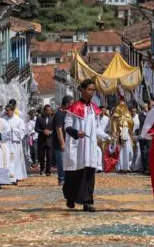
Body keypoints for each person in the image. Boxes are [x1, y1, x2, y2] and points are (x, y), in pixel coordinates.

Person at [63, 79, 109, 212]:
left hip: (90, 146)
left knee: (89, 174)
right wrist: (76, 132)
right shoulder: (73, 108)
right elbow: (67, 126)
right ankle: (71, 197)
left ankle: (87, 202)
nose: (91, 92)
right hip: (78, 145)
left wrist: (107, 136)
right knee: (75, 174)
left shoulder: (94, 109)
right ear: (82, 90)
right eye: (89, 89)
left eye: (93, 90)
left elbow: (97, 129)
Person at [109, 100, 135, 173]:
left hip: (127, 135)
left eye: (123, 106)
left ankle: (127, 167)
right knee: (120, 151)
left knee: (128, 151)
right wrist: (115, 135)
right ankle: (120, 167)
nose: (122, 108)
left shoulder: (128, 115)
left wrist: (127, 120)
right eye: (120, 106)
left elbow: (131, 124)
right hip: (119, 135)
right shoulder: (115, 116)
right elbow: (113, 126)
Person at [53, 96, 74, 186]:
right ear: (67, 104)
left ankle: (67, 178)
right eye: (72, 103)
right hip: (60, 142)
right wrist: (62, 143)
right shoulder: (59, 114)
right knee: (61, 161)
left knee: (67, 161)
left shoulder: (67, 113)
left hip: (68, 140)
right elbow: (59, 129)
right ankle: (61, 178)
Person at [3, 105, 27, 183]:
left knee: (15, 160)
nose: (7, 112)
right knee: (7, 160)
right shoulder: (4, 120)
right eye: (6, 110)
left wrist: (14, 130)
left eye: (8, 110)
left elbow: (23, 132)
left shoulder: (19, 120)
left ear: (13, 111)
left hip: (15, 143)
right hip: (7, 143)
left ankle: (15, 177)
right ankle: (8, 177)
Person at [35, 105, 54, 177]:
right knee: (41, 156)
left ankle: (48, 171)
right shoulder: (39, 118)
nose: (49, 112)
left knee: (49, 156)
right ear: (44, 111)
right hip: (41, 140)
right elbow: (36, 128)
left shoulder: (53, 118)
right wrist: (43, 131)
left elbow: (55, 129)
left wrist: (50, 132)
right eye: (47, 110)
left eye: (50, 110)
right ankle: (42, 168)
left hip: (50, 140)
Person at [138, 104, 151, 174]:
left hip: (149, 135)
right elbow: (144, 121)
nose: (147, 108)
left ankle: (148, 168)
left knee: (148, 151)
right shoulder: (140, 115)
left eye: (147, 107)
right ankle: (144, 167)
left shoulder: (150, 114)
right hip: (142, 135)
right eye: (145, 107)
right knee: (143, 152)